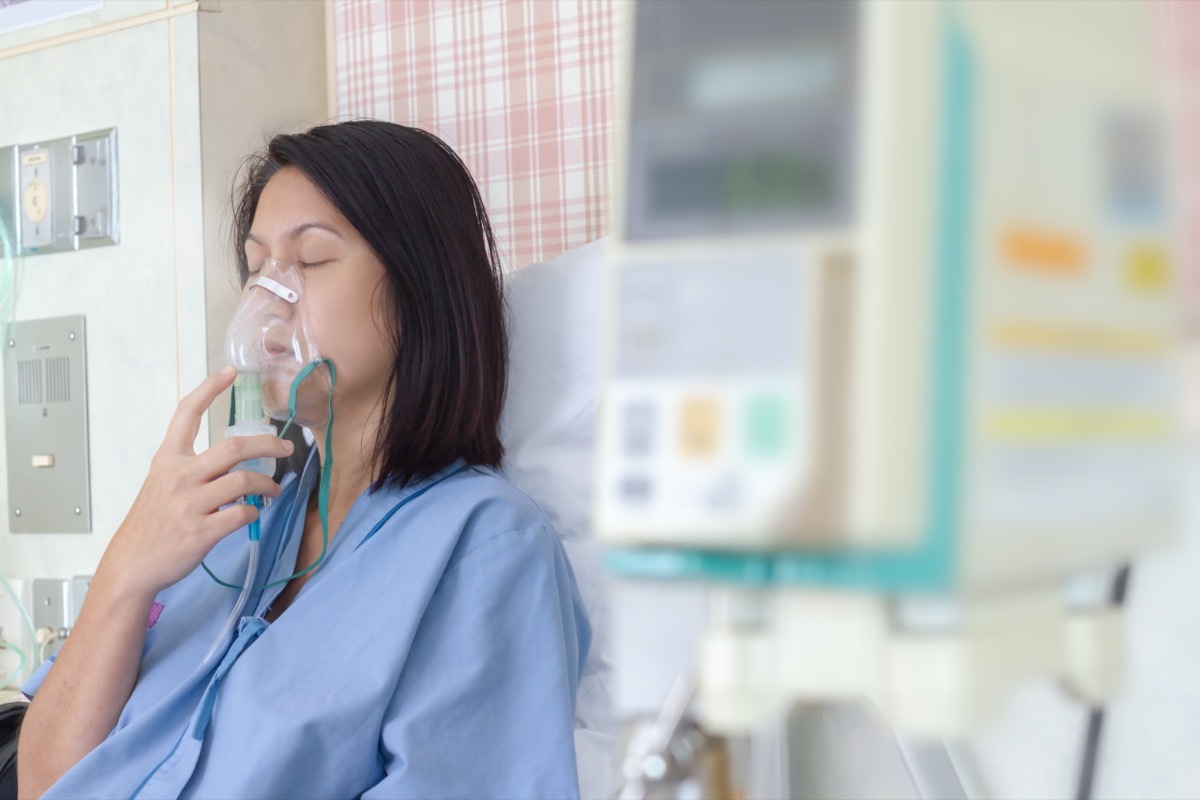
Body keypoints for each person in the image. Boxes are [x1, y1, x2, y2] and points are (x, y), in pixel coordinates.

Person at [16, 120, 590, 799]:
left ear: (419, 288)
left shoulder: (482, 545)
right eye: (258, 269)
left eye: (310, 261)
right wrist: (124, 574)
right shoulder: (226, 526)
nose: (267, 302)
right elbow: (45, 782)